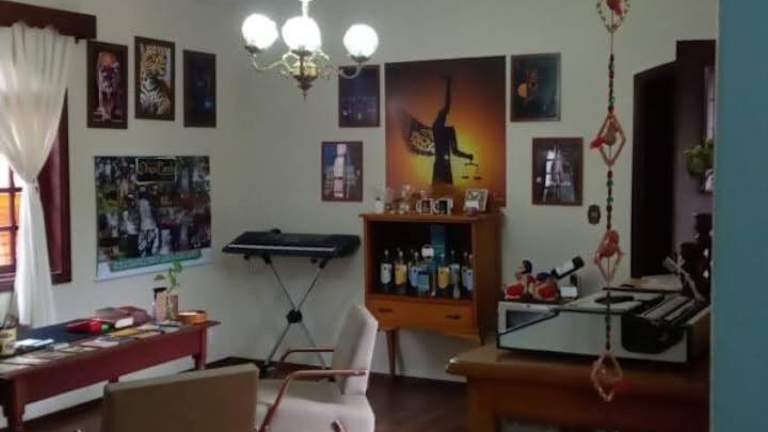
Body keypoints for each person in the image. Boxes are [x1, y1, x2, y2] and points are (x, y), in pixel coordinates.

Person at [431, 76, 474, 184]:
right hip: (443, 166)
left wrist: (467, 156)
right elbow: (455, 152)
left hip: (440, 165)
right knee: (443, 189)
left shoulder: (437, 129)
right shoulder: (444, 130)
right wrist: (467, 156)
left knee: (440, 189)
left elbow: (446, 107)